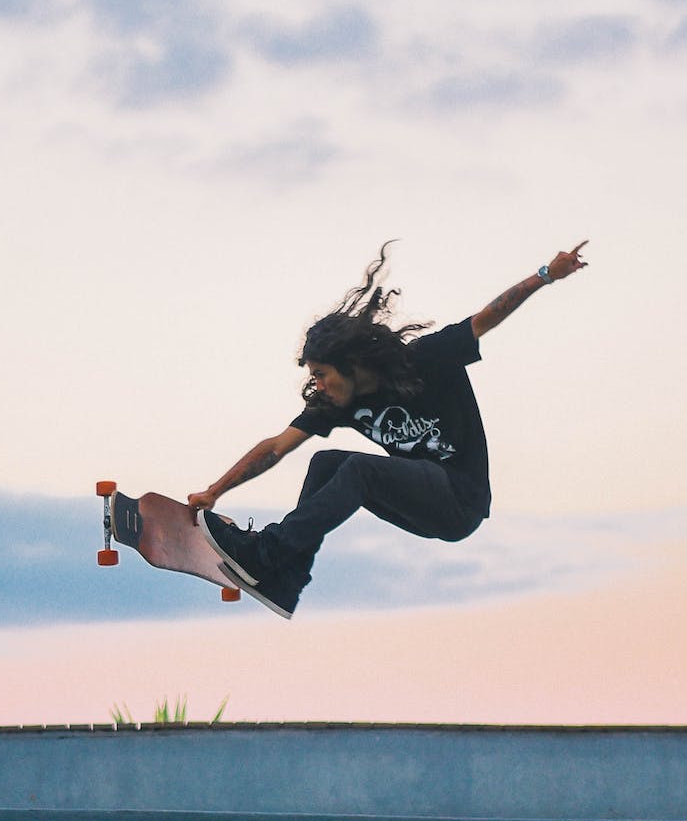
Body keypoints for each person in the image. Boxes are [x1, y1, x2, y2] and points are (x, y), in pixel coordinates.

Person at [188, 240, 589, 617]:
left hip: (460, 501)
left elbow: (487, 318)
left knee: (360, 471)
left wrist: (546, 274)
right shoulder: (337, 402)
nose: (320, 386)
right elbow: (277, 447)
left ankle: (267, 554)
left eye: (323, 374)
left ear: (350, 363)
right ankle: (285, 582)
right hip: (420, 506)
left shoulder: (426, 358)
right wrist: (215, 491)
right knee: (326, 462)